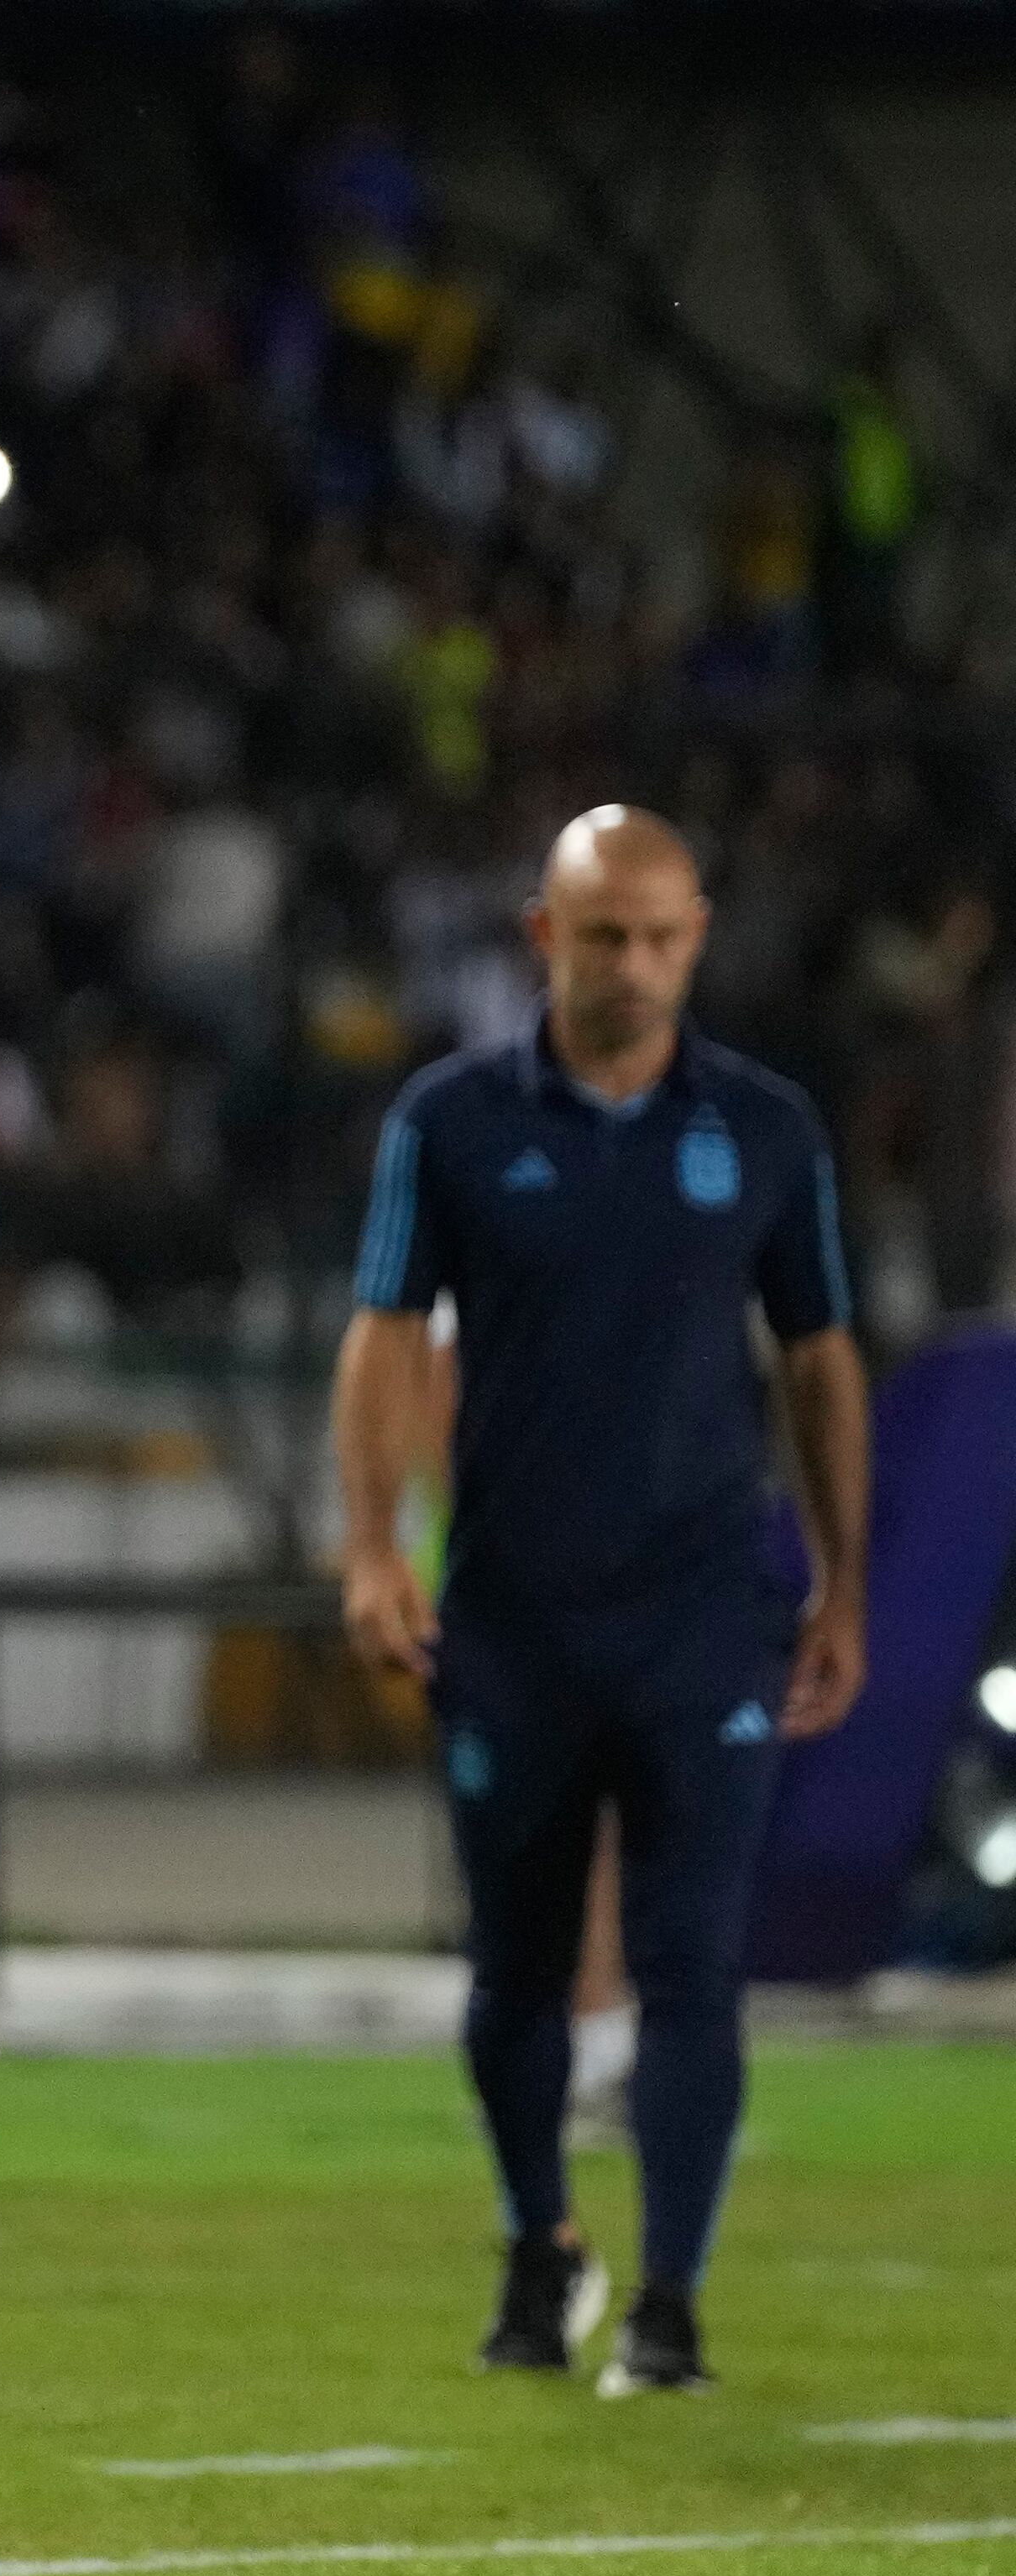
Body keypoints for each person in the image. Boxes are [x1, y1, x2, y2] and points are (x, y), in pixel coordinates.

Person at [335, 805, 867, 2398]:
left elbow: (820, 1356)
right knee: (515, 1967)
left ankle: (673, 2301)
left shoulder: (767, 1128)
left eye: (660, 935)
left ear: (697, 938)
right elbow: (384, 1333)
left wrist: (843, 1580)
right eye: (604, 934)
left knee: (694, 1963)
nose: (634, 963)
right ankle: (537, 2241)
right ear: (542, 935)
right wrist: (372, 1548)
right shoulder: (448, 1121)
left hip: (706, 1617)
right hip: (512, 1619)